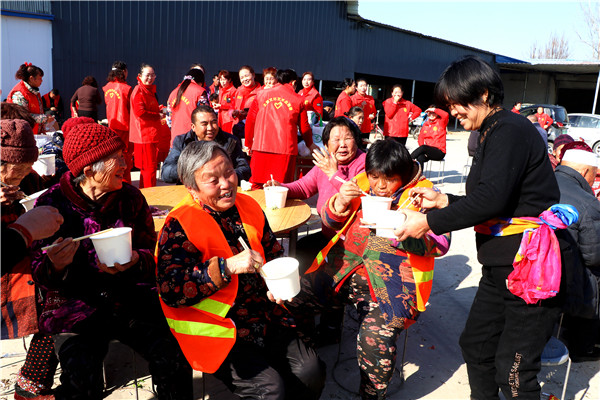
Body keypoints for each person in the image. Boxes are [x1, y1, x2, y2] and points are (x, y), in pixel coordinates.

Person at [395, 56, 564, 400]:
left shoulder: (510, 130)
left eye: (457, 102)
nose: (453, 110)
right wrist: (444, 200)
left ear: (484, 94)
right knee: (475, 345)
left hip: (529, 269)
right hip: (501, 267)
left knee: (514, 371)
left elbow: (491, 200)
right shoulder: (491, 132)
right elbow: (496, 201)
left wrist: (427, 222)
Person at [30, 120, 193, 399]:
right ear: (89, 168)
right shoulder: (51, 205)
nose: (125, 161)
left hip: (131, 296)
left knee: (174, 356)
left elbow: (152, 254)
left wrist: (136, 261)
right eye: (116, 157)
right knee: (80, 378)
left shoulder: (129, 198)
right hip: (75, 304)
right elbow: (38, 271)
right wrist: (56, 266)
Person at [155, 140, 325, 399]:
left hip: (263, 314)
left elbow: (272, 252)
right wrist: (226, 267)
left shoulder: (248, 205)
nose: (226, 184)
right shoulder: (179, 224)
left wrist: (275, 284)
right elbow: (171, 289)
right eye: (213, 180)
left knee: (310, 372)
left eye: (229, 172)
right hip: (218, 329)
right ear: (192, 189)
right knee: (270, 390)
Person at [288, 139, 450, 399]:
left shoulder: (424, 195)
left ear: (404, 174)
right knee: (291, 299)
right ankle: (305, 368)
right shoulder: (362, 184)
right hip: (343, 273)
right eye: (375, 177)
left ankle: (371, 395)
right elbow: (330, 220)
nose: (380, 186)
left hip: (392, 288)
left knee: (374, 340)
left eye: (389, 179)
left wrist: (404, 233)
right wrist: (339, 201)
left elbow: (441, 246)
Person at [0, 119, 63, 400]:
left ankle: (31, 383)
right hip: (7, 272)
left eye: (28, 168)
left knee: (61, 304)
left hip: (27, 262)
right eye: (18, 169)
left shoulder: (26, 177)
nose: (24, 174)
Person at [555, 148, 600, 362]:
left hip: (529, 264)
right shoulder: (587, 202)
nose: (594, 180)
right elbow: (594, 256)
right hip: (562, 275)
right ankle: (583, 346)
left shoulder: (538, 182)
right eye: (595, 174)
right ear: (585, 172)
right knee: (595, 276)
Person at [245, 69, 316, 188]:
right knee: (280, 188)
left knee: (256, 185)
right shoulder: (299, 100)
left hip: (261, 147)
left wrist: (248, 143)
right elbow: (304, 127)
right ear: (293, 83)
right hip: (285, 150)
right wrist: (310, 144)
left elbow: (250, 121)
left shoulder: (261, 95)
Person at [161, 105, 250, 184]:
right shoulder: (182, 141)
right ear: (193, 127)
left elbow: (245, 170)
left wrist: (223, 175)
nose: (210, 128)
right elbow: (166, 173)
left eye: (214, 122)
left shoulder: (230, 141)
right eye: (204, 124)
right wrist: (197, 171)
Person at [129, 63, 164, 188]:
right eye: (147, 75)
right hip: (144, 135)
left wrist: (158, 111)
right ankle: (150, 199)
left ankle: (146, 196)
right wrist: (157, 115)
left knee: (148, 169)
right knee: (149, 169)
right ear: (139, 76)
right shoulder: (139, 91)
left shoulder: (147, 91)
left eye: (152, 75)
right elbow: (140, 112)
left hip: (148, 135)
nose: (150, 78)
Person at [103, 60, 134, 183]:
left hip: (112, 125)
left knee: (114, 155)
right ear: (124, 72)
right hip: (125, 126)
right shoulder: (127, 89)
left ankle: (115, 181)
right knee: (125, 156)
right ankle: (126, 182)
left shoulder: (106, 88)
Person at [7, 62, 54, 134]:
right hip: (23, 134)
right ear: (31, 78)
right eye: (40, 78)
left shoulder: (34, 91)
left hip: (33, 133)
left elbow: (38, 111)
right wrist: (44, 118)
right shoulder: (19, 94)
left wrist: (42, 128)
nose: (42, 81)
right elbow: (23, 116)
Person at [167, 68, 209, 145]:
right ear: (200, 81)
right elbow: (205, 115)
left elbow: (169, 120)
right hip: (192, 139)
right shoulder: (200, 92)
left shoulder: (173, 93)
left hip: (175, 139)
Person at [231, 65, 261, 139]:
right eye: (242, 77)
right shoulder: (238, 91)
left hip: (254, 129)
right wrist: (233, 113)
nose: (245, 79)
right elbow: (231, 107)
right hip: (238, 129)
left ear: (253, 75)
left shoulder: (261, 92)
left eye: (246, 76)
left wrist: (248, 114)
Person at [215, 70, 236, 134]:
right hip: (220, 118)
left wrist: (221, 106)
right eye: (221, 80)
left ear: (229, 80)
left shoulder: (233, 91)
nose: (222, 82)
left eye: (224, 80)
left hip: (228, 119)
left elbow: (234, 106)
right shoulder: (221, 90)